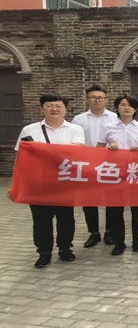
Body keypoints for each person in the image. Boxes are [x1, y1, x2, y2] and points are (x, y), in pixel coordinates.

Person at [15, 94, 85, 268]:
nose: (54, 109)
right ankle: (44, 253)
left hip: (65, 182)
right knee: (41, 220)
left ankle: (65, 249)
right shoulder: (29, 130)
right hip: (38, 183)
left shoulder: (75, 129)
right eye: (49, 105)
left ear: (65, 109)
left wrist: (42, 149)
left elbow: (77, 150)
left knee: (66, 218)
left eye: (58, 106)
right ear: (42, 109)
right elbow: (21, 156)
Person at [97, 94, 138, 256]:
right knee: (115, 210)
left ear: (135, 109)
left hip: (136, 172)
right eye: (123, 105)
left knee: (137, 209)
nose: (126, 108)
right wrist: (108, 149)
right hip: (114, 173)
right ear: (117, 108)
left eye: (130, 105)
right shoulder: (108, 127)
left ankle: (137, 240)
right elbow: (98, 148)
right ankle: (119, 242)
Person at [71, 85, 116, 248]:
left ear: (106, 99)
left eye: (100, 97)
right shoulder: (78, 119)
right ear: (87, 99)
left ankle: (110, 231)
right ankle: (94, 232)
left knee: (111, 199)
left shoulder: (114, 118)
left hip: (109, 164)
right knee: (89, 199)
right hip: (86, 164)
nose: (97, 100)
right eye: (93, 97)